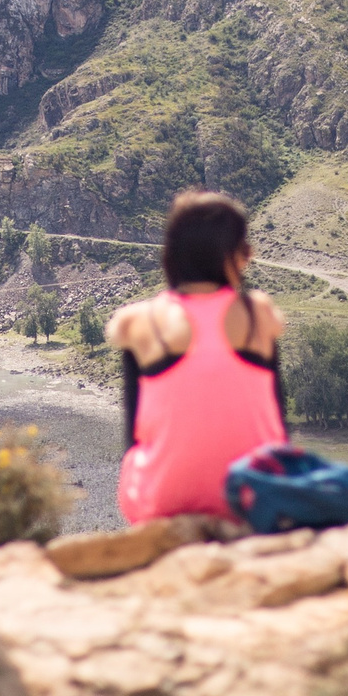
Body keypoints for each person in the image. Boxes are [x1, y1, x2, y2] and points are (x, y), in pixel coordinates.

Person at [109, 189, 287, 523]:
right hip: (256, 498)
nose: (249, 258)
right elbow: (277, 417)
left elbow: (134, 433)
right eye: (244, 249)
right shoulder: (258, 313)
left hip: (162, 505)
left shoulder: (137, 321)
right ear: (231, 255)